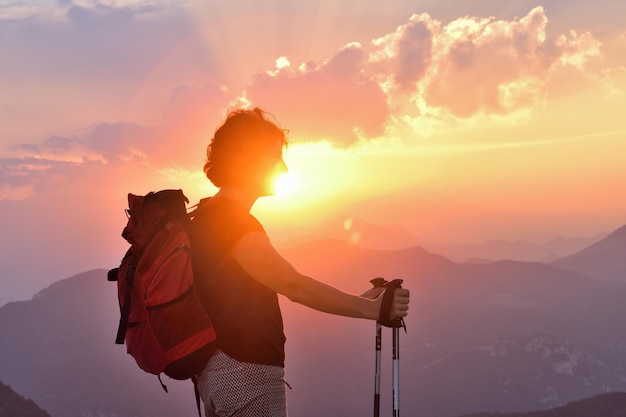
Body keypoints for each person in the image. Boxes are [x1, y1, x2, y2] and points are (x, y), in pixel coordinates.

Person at [190, 107, 410, 417]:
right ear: (248, 159)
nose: (283, 168)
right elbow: (293, 284)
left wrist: (357, 301)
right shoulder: (232, 222)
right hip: (246, 375)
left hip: (217, 373)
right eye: (274, 156)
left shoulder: (207, 215)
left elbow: (237, 297)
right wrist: (372, 310)